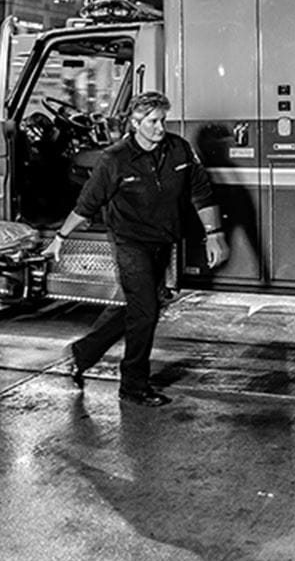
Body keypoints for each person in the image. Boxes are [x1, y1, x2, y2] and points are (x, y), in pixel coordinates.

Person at [43, 91, 228, 407]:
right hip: (130, 243)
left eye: (163, 120)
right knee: (146, 311)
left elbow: (202, 193)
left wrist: (214, 234)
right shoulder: (115, 159)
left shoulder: (178, 149)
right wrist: (60, 237)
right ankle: (133, 385)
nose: (160, 127)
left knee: (136, 304)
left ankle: (81, 353)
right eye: (154, 121)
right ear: (135, 122)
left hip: (162, 241)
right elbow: (87, 204)